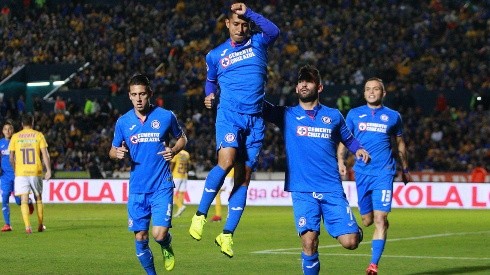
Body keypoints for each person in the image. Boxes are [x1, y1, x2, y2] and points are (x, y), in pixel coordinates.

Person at [189, 2, 280, 258]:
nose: (240, 28)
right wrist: (209, 96)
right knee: (226, 161)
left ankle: (227, 234)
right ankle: (200, 215)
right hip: (230, 116)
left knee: (244, 178)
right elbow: (210, 83)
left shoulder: (258, 43)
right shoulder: (215, 55)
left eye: (244, 25)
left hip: (256, 120)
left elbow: (274, 31)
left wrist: (248, 12)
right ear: (227, 24)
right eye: (236, 23)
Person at [263, 65, 369, 275]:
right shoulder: (287, 115)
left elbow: (347, 138)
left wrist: (359, 149)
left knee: (350, 242)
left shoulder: (334, 116)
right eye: (301, 81)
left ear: (318, 87)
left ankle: (353, 230)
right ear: (296, 88)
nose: (304, 84)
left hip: (331, 188)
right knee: (309, 241)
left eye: (309, 81)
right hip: (302, 190)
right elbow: (260, 106)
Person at [109, 74, 187, 274]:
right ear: (129, 96)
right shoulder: (123, 122)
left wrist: (175, 150)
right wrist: (116, 153)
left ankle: (166, 246)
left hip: (161, 185)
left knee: (159, 235)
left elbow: (182, 138)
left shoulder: (165, 116)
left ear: (150, 94)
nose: (139, 98)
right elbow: (112, 148)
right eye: (134, 94)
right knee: (141, 237)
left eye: (142, 93)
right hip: (137, 188)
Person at [337, 77, 411, 275]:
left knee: (381, 219)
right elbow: (344, 140)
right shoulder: (354, 114)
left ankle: (373, 265)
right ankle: (360, 232)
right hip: (362, 173)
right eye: (368, 89)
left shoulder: (394, 116)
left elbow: (400, 145)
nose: (371, 92)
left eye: (376, 89)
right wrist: (341, 161)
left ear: (383, 93)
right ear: (364, 93)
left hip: (384, 173)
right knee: (367, 220)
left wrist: (405, 169)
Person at [9, 114, 51, 234]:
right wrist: (48, 170)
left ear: (22, 124)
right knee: (38, 197)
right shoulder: (38, 135)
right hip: (35, 171)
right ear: (32, 123)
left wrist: (15, 169)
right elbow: (45, 154)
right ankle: (40, 225)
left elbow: (11, 158)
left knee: (24, 200)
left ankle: (28, 227)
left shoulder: (15, 137)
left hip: (21, 172)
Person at [1, 120, 34, 232]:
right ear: (2, 131)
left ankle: (28, 201)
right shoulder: (0, 143)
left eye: (9, 129)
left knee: (19, 201)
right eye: (5, 129)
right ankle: (7, 224)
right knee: (4, 198)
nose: (8, 131)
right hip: (5, 177)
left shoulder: (18, 141)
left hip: (18, 175)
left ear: (13, 131)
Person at [171, 148, 190, 218]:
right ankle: (180, 211)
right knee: (181, 193)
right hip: (184, 175)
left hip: (176, 175)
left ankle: (180, 206)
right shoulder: (187, 154)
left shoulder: (176, 153)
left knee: (171, 193)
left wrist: (169, 174)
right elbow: (188, 166)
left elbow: (172, 164)